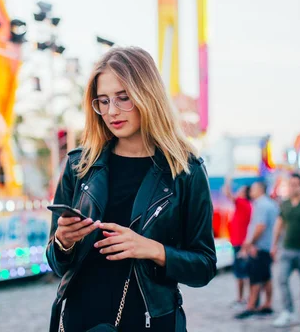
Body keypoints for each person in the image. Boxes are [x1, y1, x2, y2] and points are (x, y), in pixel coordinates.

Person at [46, 47, 217, 332]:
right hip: (79, 321)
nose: (112, 111)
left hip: (149, 321)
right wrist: (63, 242)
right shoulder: (79, 166)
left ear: (147, 95)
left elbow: (204, 265)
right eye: (103, 101)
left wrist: (152, 249)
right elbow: (57, 265)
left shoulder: (185, 170)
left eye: (123, 98)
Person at [271, 173, 300, 327]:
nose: (292, 187)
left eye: (295, 184)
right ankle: (287, 312)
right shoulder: (285, 204)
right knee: (282, 279)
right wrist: (274, 245)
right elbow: (279, 224)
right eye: (290, 184)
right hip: (287, 249)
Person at [235, 181, 279, 319]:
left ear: (260, 190)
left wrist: (250, 243)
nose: (250, 192)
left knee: (255, 277)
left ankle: (251, 306)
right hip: (267, 246)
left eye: (253, 189)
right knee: (266, 277)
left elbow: (260, 226)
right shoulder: (271, 204)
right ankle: (267, 304)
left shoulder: (261, 205)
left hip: (259, 247)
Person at [225, 183, 252, 308]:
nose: (239, 192)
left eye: (241, 190)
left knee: (240, 273)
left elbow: (228, 194)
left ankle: (241, 299)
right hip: (240, 242)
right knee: (243, 273)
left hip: (239, 243)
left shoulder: (242, 203)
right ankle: (246, 298)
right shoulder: (245, 205)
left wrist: (227, 181)